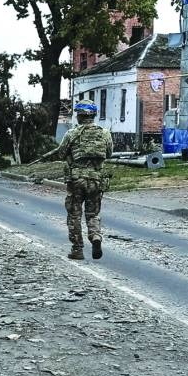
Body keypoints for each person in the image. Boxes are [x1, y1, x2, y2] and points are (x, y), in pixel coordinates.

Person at [55, 99, 113, 260]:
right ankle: (95, 237)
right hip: (96, 179)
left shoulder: (71, 134)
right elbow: (109, 153)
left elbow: (61, 153)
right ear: (94, 115)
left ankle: (77, 249)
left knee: (74, 215)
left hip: (76, 180)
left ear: (78, 116)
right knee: (93, 213)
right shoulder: (105, 133)